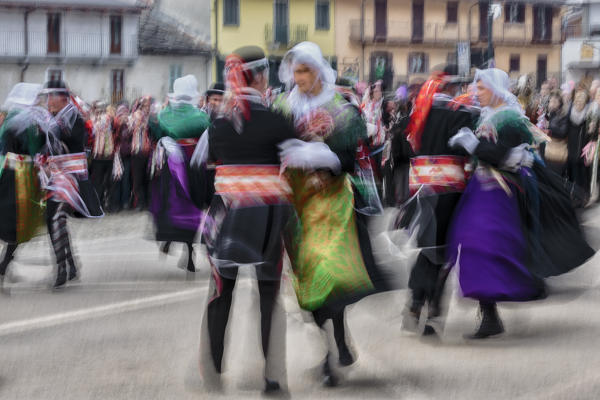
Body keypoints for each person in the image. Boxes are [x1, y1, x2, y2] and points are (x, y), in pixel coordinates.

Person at [447, 68, 594, 339]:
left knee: (489, 245)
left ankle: (501, 303)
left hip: (501, 192)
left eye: (481, 88)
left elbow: (505, 157)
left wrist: (474, 146)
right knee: (470, 245)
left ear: (494, 88)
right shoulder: (487, 115)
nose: (476, 92)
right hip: (481, 189)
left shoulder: (511, 118)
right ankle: (489, 312)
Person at [273, 41, 388, 386]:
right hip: (298, 207)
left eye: (305, 70)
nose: (299, 78)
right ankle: (333, 340)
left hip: (332, 204)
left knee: (330, 273)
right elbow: (271, 147)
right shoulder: (283, 106)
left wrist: (327, 165)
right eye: (295, 71)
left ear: (319, 71)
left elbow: (352, 155)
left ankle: (330, 352)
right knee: (307, 282)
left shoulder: (341, 108)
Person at [198, 46, 296, 393]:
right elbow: (296, 159)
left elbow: (204, 170)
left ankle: (213, 366)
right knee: (269, 294)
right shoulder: (276, 120)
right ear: (260, 75)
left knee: (222, 290)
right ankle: (271, 375)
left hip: (227, 215)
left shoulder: (219, 123)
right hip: (267, 216)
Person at [398, 65, 477, 336]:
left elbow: (405, 144)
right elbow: (465, 150)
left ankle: (416, 302)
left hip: (421, 186)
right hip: (449, 188)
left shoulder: (420, 111)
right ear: (452, 87)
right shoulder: (460, 113)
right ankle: (432, 309)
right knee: (443, 250)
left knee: (425, 245)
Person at [37, 79, 103, 288]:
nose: (48, 101)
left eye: (52, 97)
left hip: (72, 175)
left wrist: (51, 128)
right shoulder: (54, 119)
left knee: (56, 218)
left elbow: (74, 139)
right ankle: (70, 264)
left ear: (62, 98)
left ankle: (62, 270)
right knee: (53, 220)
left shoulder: (73, 116)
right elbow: (47, 145)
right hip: (57, 175)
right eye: (47, 97)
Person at [148, 75, 210, 272]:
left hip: (171, 165)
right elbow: (207, 135)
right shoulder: (200, 117)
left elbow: (156, 132)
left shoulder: (164, 115)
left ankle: (170, 239)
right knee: (191, 204)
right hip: (192, 165)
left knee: (170, 202)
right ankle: (188, 253)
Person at [0, 83, 46, 281]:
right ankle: (4, 264)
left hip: (21, 173)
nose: (38, 102)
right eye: (36, 98)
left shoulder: (26, 119)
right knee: (16, 219)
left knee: (19, 221)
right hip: (16, 175)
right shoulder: (19, 120)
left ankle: (4, 264)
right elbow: (30, 146)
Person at [129, 96, 153, 209]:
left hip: (147, 150)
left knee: (147, 177)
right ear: (142, 106)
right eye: (146, 106)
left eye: (149, 106)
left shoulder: (149, 116)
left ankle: (147, 202)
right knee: (138, 178)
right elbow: (134, 126)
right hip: (138, 150)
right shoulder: (137, 115)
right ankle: (140, 203)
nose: (148, 108)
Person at [539, 90, 568, 175]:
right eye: (551, 101)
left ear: (560, 103)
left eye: (554, 101)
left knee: (555, 175)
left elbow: (563, 132)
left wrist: (550, 128)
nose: (552, 103)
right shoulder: (547, 114)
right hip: (547, 150)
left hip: (557, 151)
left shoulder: (563, 115)